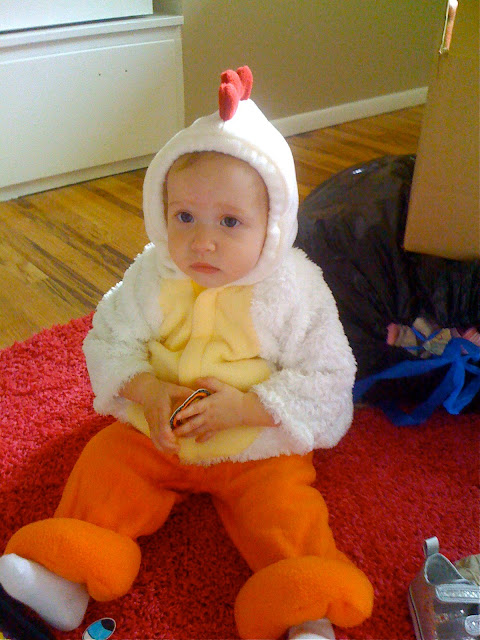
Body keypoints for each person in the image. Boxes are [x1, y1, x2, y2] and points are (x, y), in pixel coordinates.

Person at [0, 66, 373, 640]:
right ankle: (69, 571)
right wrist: (146, 390)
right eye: (184, 217)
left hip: (255, 445)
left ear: (273, 227)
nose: (202, 241)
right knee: (106, 462)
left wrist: (250, 408)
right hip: (158, 431)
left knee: (287, 509)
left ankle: (304, 606)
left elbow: (328, 375)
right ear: (161, 212)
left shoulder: (295, 289)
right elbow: (109, 337)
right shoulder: (153, 275)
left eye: (230, 221)